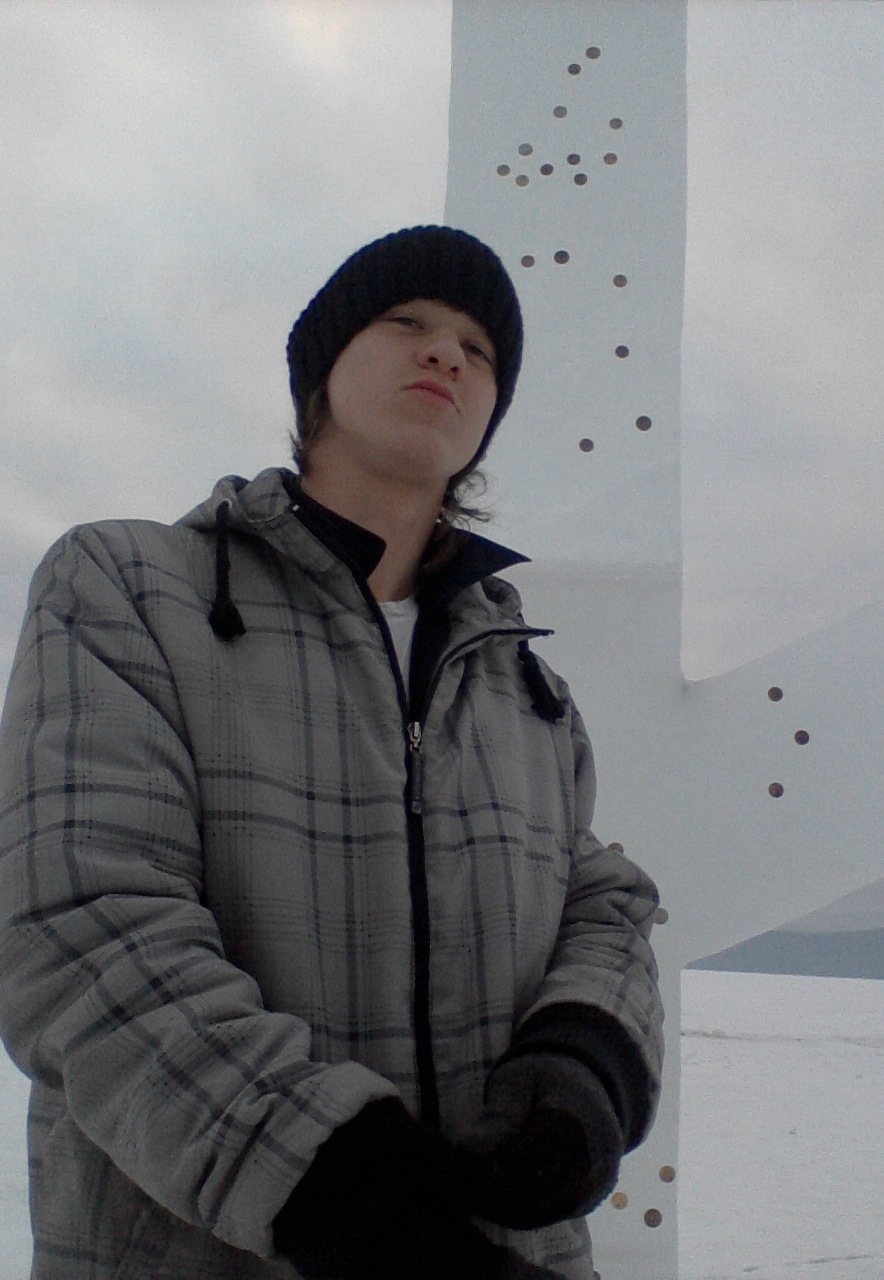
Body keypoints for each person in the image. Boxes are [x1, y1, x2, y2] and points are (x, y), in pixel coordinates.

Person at [0, 225, 664, 1280]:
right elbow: (81, 925)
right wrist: (357, 1203)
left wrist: (584, 1058)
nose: (446, 353)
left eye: (479, 350)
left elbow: (602, 901)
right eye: (406, 321)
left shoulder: (522, 682)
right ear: (320, 374)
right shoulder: (128, 586)